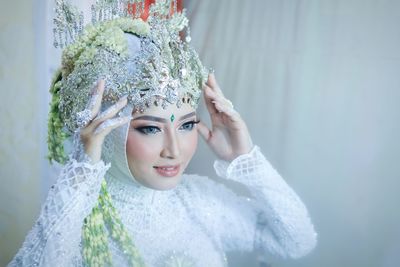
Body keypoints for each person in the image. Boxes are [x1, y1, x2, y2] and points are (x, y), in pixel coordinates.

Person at [9, 0, 317, 266]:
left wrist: (245, 159)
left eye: (186, 125)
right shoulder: (75, 223)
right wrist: (82, 172)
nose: (175, 149)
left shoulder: (199, 202)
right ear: (107, 130)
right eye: (151, 128)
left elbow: (296, 242)